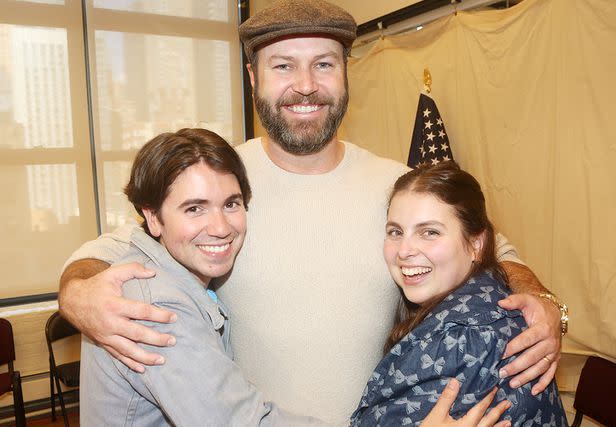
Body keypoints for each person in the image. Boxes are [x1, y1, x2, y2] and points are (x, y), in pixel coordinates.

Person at [59, 0, 566, 424]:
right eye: (284, 66)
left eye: (323, 63)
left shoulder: (397, 186)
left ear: (346, 74)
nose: (306, 85)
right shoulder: (221, 184)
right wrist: (77, 294)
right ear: (255, 76)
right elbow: (110, 254)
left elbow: (491, 252)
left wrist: (539, 298)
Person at [80, 128, 329, 426]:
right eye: (195, 208)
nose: (220, 227)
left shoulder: (173, 276)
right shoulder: (156, 306)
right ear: (154, 218)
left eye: (230, 204)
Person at [351, 162, 567, 426]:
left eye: (429, 232)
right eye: (396, 231)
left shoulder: (466, 337)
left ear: (476, 244)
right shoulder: (481, 296)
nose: (404, 250)